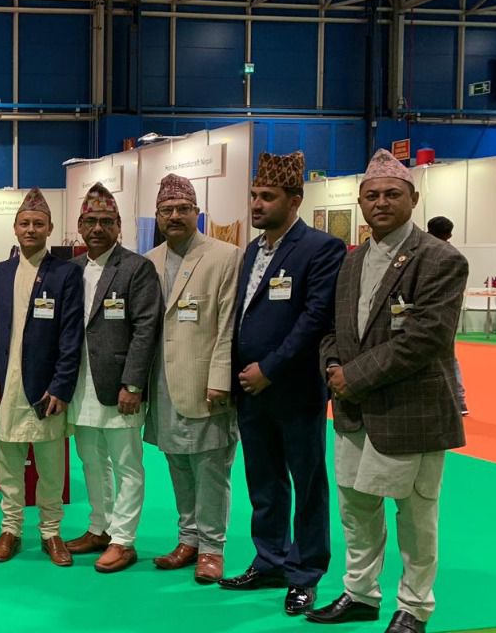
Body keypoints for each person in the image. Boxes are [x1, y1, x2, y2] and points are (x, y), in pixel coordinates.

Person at [310, 150, 468, 633]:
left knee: (415, 516)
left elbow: (425, 338)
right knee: (356, 509)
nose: (381, 202)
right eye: (372, 195)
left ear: (413, 200)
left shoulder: (440, 259)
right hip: (353, 412)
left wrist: (352, 377)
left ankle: (414, 607)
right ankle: (360, 593)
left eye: (392, 194)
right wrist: (332, 366)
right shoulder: (351, 261)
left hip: (411, 411)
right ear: (360, 203)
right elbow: (332, 329)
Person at [220, 152, 345, 616]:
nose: (256, 204)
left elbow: (315, 318)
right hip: (250, 391)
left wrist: (269, 368)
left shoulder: (322, 248)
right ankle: (270, 560)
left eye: (267, 197)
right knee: (264, 482)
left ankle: (305, 573)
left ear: (295, 200)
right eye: (254, 195)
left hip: (295, 390)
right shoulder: (253, 250)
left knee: (307, 483)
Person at [144, 173, 241, 585]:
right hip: (163, 383)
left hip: (206, 383)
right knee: (178, 465)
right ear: (157, 216)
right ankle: (187, 540)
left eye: (183, 209)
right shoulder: (149, 261)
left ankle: (212, 548)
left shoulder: (225, 257)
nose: (175, 216)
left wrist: (221, 379)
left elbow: (229, 326)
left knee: (211, 468)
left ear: (197, 213)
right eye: (167, 210)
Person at [66, 183, 163, 573]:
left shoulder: (136, 268)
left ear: (119, 226)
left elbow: (146, 328)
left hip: (120, 385)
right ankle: (99, 528)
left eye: (107, 221)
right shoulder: (72, 270)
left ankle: (123, 539)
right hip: (80, 384)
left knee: (127, 464)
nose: (98, 228)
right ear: (79, 225)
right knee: (90, 460)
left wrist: (133, 384)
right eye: (91, 221)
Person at [0, 187, 84, 567]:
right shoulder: (0, 273)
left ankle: (51, 531)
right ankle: (10, 529)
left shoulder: (65, 274)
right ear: (15, 227)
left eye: (38, 224)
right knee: (8, 461)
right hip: (7, 384)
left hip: (46, 388)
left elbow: (71, 336)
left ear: (49, 229)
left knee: (50, 465)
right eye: (25, 223)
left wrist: (61, 386)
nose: (31, 229)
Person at [426, 215, 469, 416]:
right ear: (449, 234)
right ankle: (459, 400)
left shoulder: (418, 251)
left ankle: (456, 400)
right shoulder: (454, 256)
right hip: (446, 316)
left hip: (417, 315)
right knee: (448, 357)